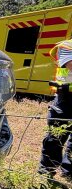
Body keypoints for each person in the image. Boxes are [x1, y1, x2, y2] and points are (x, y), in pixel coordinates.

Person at [39, 38, 72, 179]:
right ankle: (46, 171)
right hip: (66, 98)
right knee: (55, 137)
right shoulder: (67, 46)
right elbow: (69, 64)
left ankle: (68, 171)